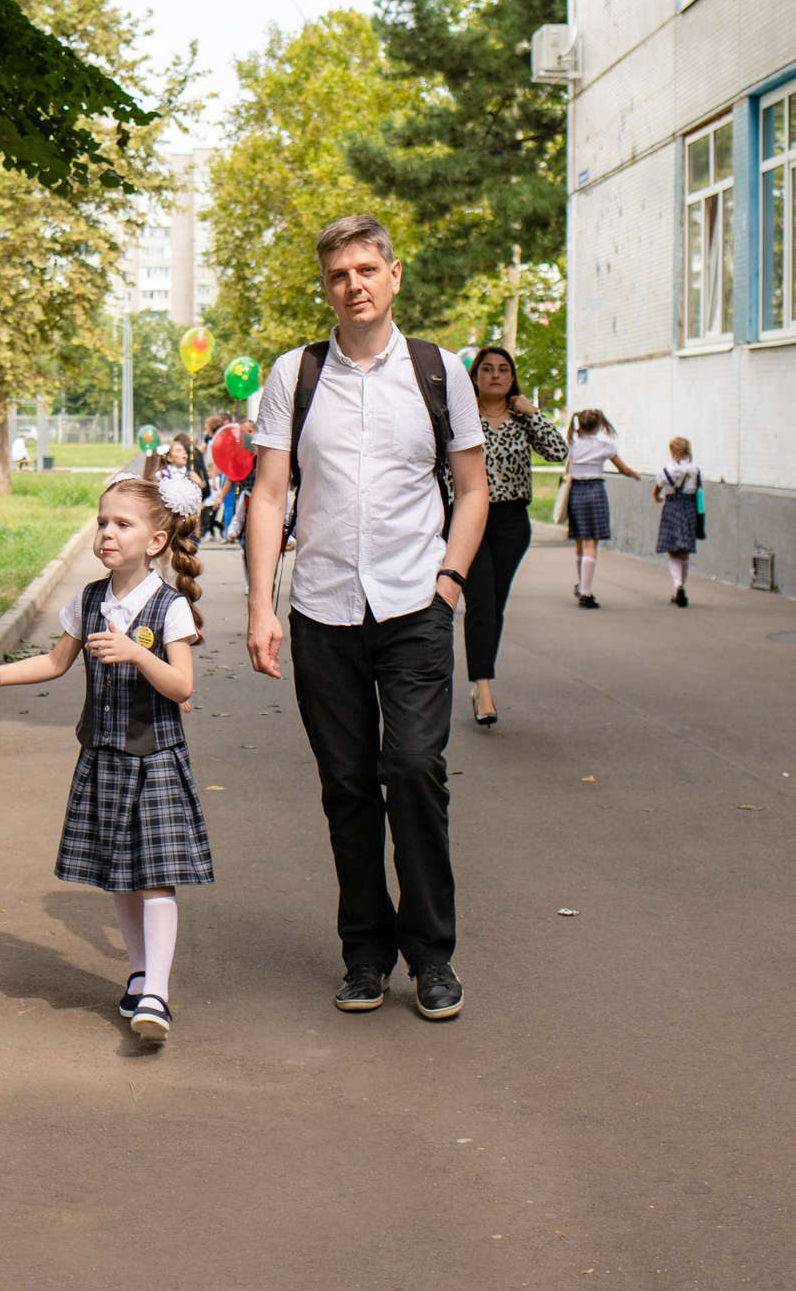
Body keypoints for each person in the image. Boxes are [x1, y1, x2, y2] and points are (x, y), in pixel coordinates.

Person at [242, 213, 487, 1022]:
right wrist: (260, 604)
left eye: (365, 269)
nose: (353, 285)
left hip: (416, 602)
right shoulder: (295, 374)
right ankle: (365, 952)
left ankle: (432, 955)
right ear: (327, 286)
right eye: (338, 274)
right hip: (322, 608)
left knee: (413, 770)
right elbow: (270, 494)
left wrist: (449, 583)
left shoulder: (439, 371)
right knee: (346, 784)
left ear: (394, 274)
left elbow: (473, 487)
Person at [0, 471, 210, 1043]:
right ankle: (136, 972)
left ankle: (158, 991)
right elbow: (54, 664)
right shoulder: (89, 599)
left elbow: (182, 687)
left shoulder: (168, 606)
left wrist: (133, 653)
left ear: (155, 541)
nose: (106, 532)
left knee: (156, 879)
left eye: (121, 524)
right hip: (103, 759)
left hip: (153, 760)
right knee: (121, 878)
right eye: (102, 521)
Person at [448, 346, 566, 727]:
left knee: (494, 604)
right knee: (480, 600)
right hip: (469, 518)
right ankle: (482, 687)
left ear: (512, 378)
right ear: (475, 376)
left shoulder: (522, 421)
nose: (496, 375)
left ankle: (480, 677)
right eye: (487, 369)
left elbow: (559, 451)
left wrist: (533, 413)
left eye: (503, 369)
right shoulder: (460, 418)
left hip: (512, 522)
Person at [563, 409, 642, 608]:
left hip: (576, 492)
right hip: (595, 491)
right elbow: (623, 469)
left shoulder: (572, 445)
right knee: (592, 543)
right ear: (599, 426)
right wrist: (634, 474)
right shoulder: (606, 447)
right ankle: (586, 593)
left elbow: (567, 469)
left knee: (580, 541)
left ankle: (581, 584)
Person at [652, 437, 701, 607]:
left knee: (673, 551)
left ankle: (677, 586)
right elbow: (699, 492)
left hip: (672, 507)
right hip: (689, 509)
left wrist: (658, 498)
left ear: (672, 451)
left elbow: (656, 490)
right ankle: (680, 588)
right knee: (684, 551)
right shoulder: (695, 470)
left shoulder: (666, 471)